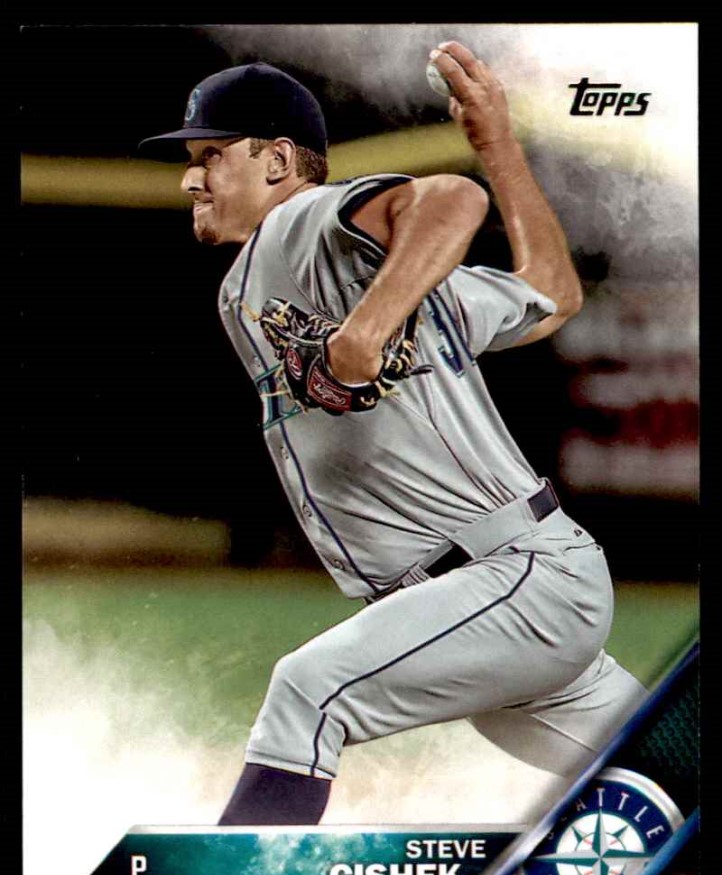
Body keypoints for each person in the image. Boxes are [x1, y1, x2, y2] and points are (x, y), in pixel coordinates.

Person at [140, 41, 648, 825]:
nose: (190, 177)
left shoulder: (301, 224)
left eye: (212, 154)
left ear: (278, 161)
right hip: (491, 599)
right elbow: (553, 291)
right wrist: (498, 147)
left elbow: (452, 200)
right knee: (664, 780)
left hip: (509, 579)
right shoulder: (366, 273)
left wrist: (366, 331)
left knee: (309, 693)